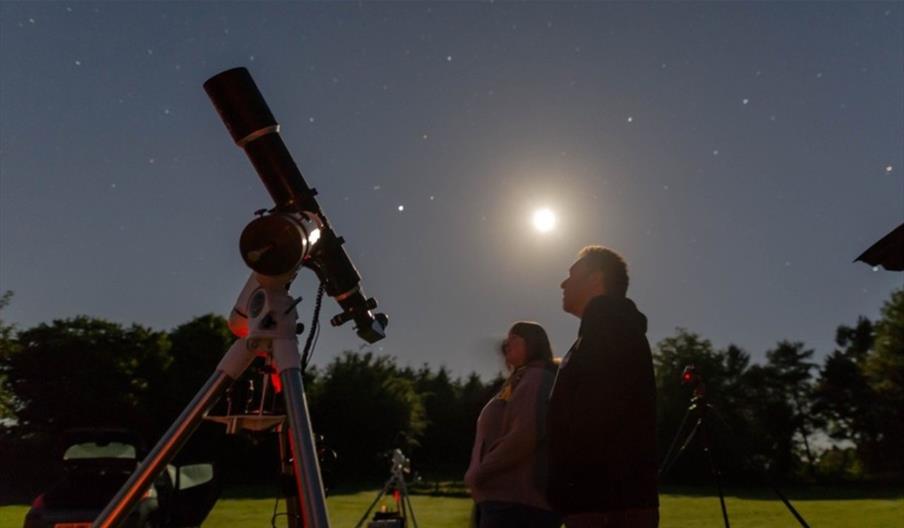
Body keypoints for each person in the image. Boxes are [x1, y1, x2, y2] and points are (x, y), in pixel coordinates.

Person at [547, 246, 659, 527]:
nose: (563, 283)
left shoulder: (611, 330)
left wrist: (569, 482)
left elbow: (599, 417)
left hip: (604, 503)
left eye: (572, 275)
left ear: (595, 279)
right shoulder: (601, 330)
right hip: (596, 500)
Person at [465, 321, 561, 528]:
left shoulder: (537, 379)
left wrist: (481, 472)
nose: (506, 344)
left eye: (514, 339)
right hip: (504, 499)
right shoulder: (521, 380)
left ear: (533, 344)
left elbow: (526, 433)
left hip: (518, 505)